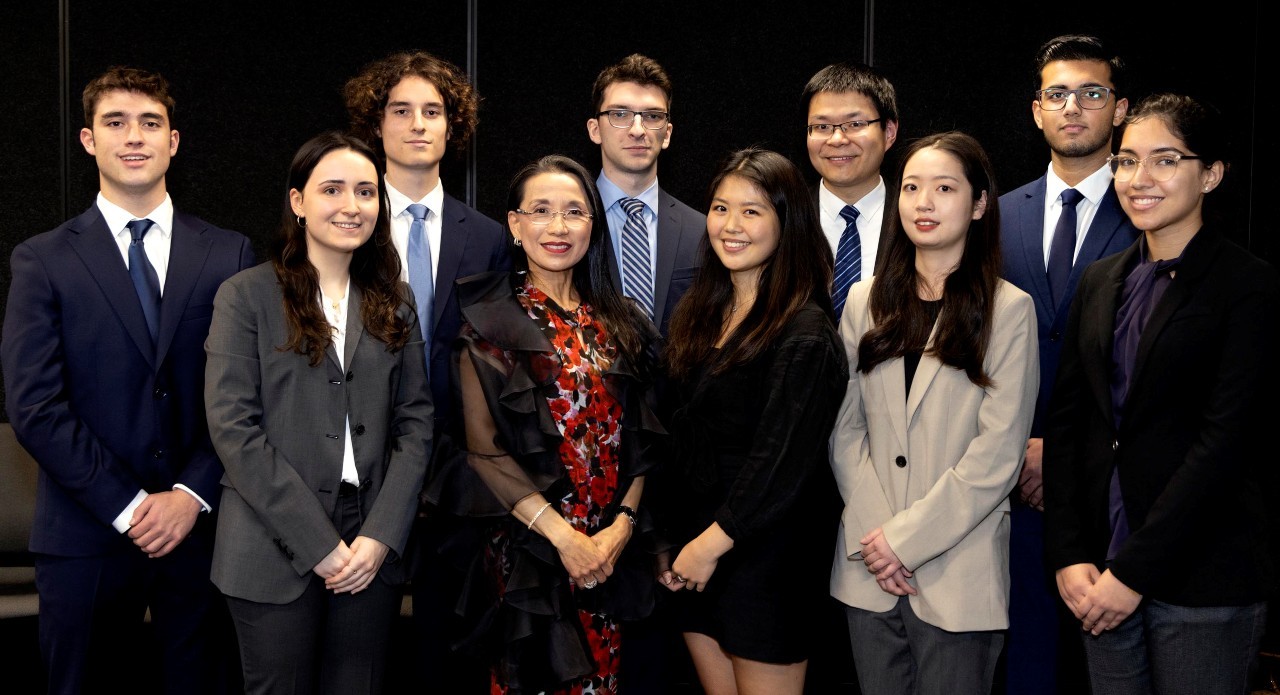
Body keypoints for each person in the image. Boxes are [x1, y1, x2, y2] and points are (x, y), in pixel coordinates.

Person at [0, 66, 254, 694]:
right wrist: (130, 505)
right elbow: (34, 405)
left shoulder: (230, 254)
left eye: (150, 123)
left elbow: (248, 396)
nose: (133, 136)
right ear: (89, 140)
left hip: (204, 532)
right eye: (115, 122)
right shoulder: (43, 259)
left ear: (174, 141)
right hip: (84, 531)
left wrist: (189, 495)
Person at [1044, 93, 1277, 695]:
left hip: (1201, 578)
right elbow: (1070, 426)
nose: (1138, 179)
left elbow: (1223, 446)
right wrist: (1070, 555)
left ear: (1212, 174)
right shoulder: (1099, 281)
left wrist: (1133, 573)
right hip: (1095, 575)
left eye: (1165, 160)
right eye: (1125, 162)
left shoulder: (1247, 285)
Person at [204, 131, 432, 693]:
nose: (351, 206)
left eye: (365, 192)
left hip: (370, 537)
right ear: (298, 201)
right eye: (332, 189)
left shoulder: (394, 299)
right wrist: (320, 544)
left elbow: (417, 423)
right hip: (270, 538)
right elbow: (234, 430)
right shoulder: (245, 296)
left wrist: (379, 535)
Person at [428, 155, 663, 694]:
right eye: (541, 211)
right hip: (532, 557)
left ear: (592, 225)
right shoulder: (488, 321)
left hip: (611, 554)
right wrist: (566, 540)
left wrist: (620, 529)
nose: (558, 228)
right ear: (514, 224)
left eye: (574, 212)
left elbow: (643, 442)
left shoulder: (622, 323)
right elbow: (484, 452)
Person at [830, 131, 1038, 695]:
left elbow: (997, 457)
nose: (923, 202)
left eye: (944, 188)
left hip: (958, 572)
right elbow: (845, 432)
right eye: (912, 187)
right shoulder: (864, 299)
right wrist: (881, 541)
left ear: (978, 204)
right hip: (867, 568)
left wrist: (907, 541)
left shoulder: (1009, 310)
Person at [343, 50, 510, 692]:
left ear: (453, 128)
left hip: (458, 476)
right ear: (375, 124)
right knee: (360, 654)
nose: (417, 124)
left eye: (433, 112)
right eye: (401, 110)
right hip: (355, 464)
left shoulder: (490, 236)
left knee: (447, 653)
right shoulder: (343, 221)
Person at [661, 147, 848, 694]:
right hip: (696, 553)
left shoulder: (806, 331)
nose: (730, 226)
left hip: (767, 562)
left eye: (752, 211)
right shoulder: (698, 312)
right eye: (720, 208)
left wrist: (708, 546)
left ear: (786, 224)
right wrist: (674, 544)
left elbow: (781, 465)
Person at [998, 35, 1138, 693]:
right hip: (1006, 479)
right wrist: (1015, 448)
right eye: (1057, 94)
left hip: (1111, 485)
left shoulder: (1151, 212)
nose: (1073, 107)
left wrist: (1057, 451)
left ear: (1120, 109)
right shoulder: (996, 217)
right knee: (1025, 661)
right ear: (1036, 110)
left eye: (1092, 92)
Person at [587, 53, 703, 335]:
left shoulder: (702, 230)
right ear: (595, 129)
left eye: (652, 116)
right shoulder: (565, 226)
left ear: (667, 134)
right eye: (620, 114)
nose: (638, 130)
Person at [801, 61, 900, 318]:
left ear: (889, 131)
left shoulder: (918, 217)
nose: (837, 139)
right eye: (822, 127)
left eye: (854, 124)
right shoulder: (784, 217)